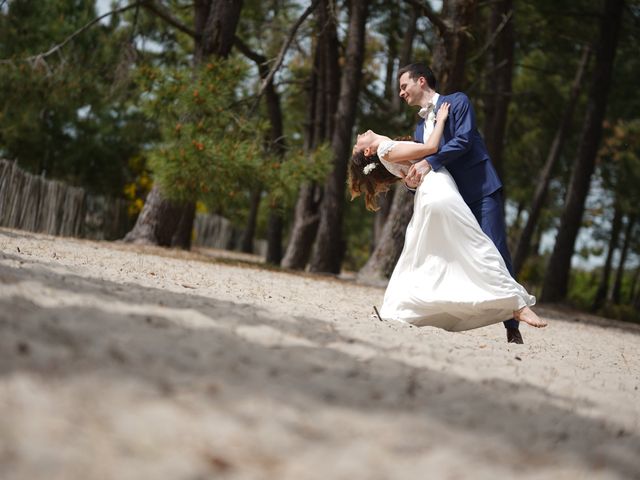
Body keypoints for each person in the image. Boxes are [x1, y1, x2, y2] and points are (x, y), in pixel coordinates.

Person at [349, 103, 547, 333]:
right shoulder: (385, 150)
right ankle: (515, 304)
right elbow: (431, 148)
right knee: (476, 245)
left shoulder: (388, 152)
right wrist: (441, 119)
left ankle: (403, 309)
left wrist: (410, 181)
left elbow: (410, 174)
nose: (358, 136)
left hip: (432, 193)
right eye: (356, 144)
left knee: (426, 257)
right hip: (439, 192)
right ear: (366, 152)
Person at [397, 63, 527, 343]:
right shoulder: (420, 128)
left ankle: (512, 325)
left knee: (496, 248)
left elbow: (464, 140)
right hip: (451, 201)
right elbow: (425, 168)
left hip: (480, 190)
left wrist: (429, 161)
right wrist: (412, 183)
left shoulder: (457, 101)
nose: (401, 93)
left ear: (421, 81)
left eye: (404, 86)